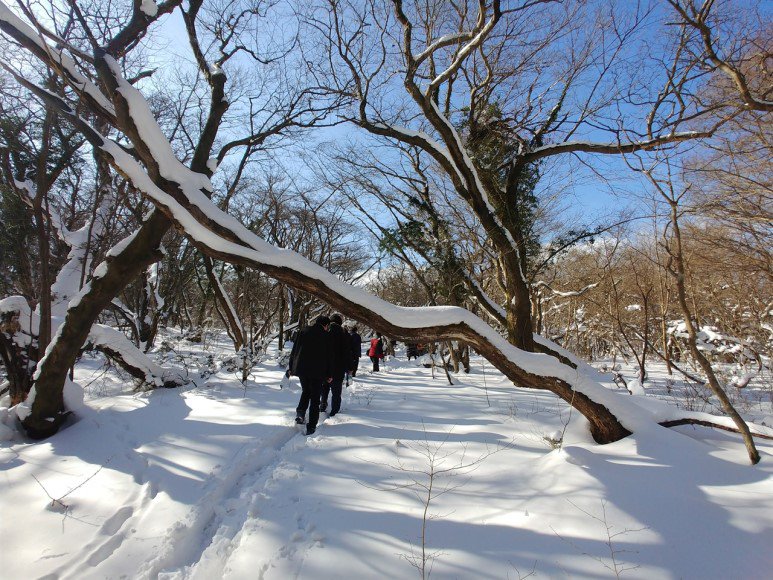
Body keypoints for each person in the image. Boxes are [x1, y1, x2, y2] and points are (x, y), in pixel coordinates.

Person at [288, 315, 332, 435]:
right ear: (326, 325)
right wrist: (329, 374)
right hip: (317, 371)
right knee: (315, 398)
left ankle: (300, 413)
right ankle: (311, 426)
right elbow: (328, 357)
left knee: (306, 391)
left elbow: (295, 350)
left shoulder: (303, 331)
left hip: (302, 369)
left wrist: (291, 367)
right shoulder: (326, 336)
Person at [320, 313, 351, 416]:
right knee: (336, 391)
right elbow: (347, 351)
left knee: (325, 387)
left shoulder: (325, 331)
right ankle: (335, 412)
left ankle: (323, 404)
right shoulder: (344, 333)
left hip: (325, 365)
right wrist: (349, 367)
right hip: (339, 367)